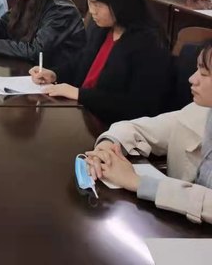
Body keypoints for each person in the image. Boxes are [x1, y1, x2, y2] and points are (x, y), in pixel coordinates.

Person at [83, 40, 212, 224]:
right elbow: (138, 128)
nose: (192, 79)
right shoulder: (200, 112)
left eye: (204, 73)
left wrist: (137, 182)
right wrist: (106, 148)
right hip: (177, 225)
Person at [29, 0, 172, 123]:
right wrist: (54, 74)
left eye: (97, 4)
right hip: (82, 113)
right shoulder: (102, 28)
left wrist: (79, 94)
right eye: (89, 2)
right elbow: (81, 63)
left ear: (121, 3)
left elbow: (137, 105)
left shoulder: (149, 44)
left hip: (110, 126)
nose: (92, 11)